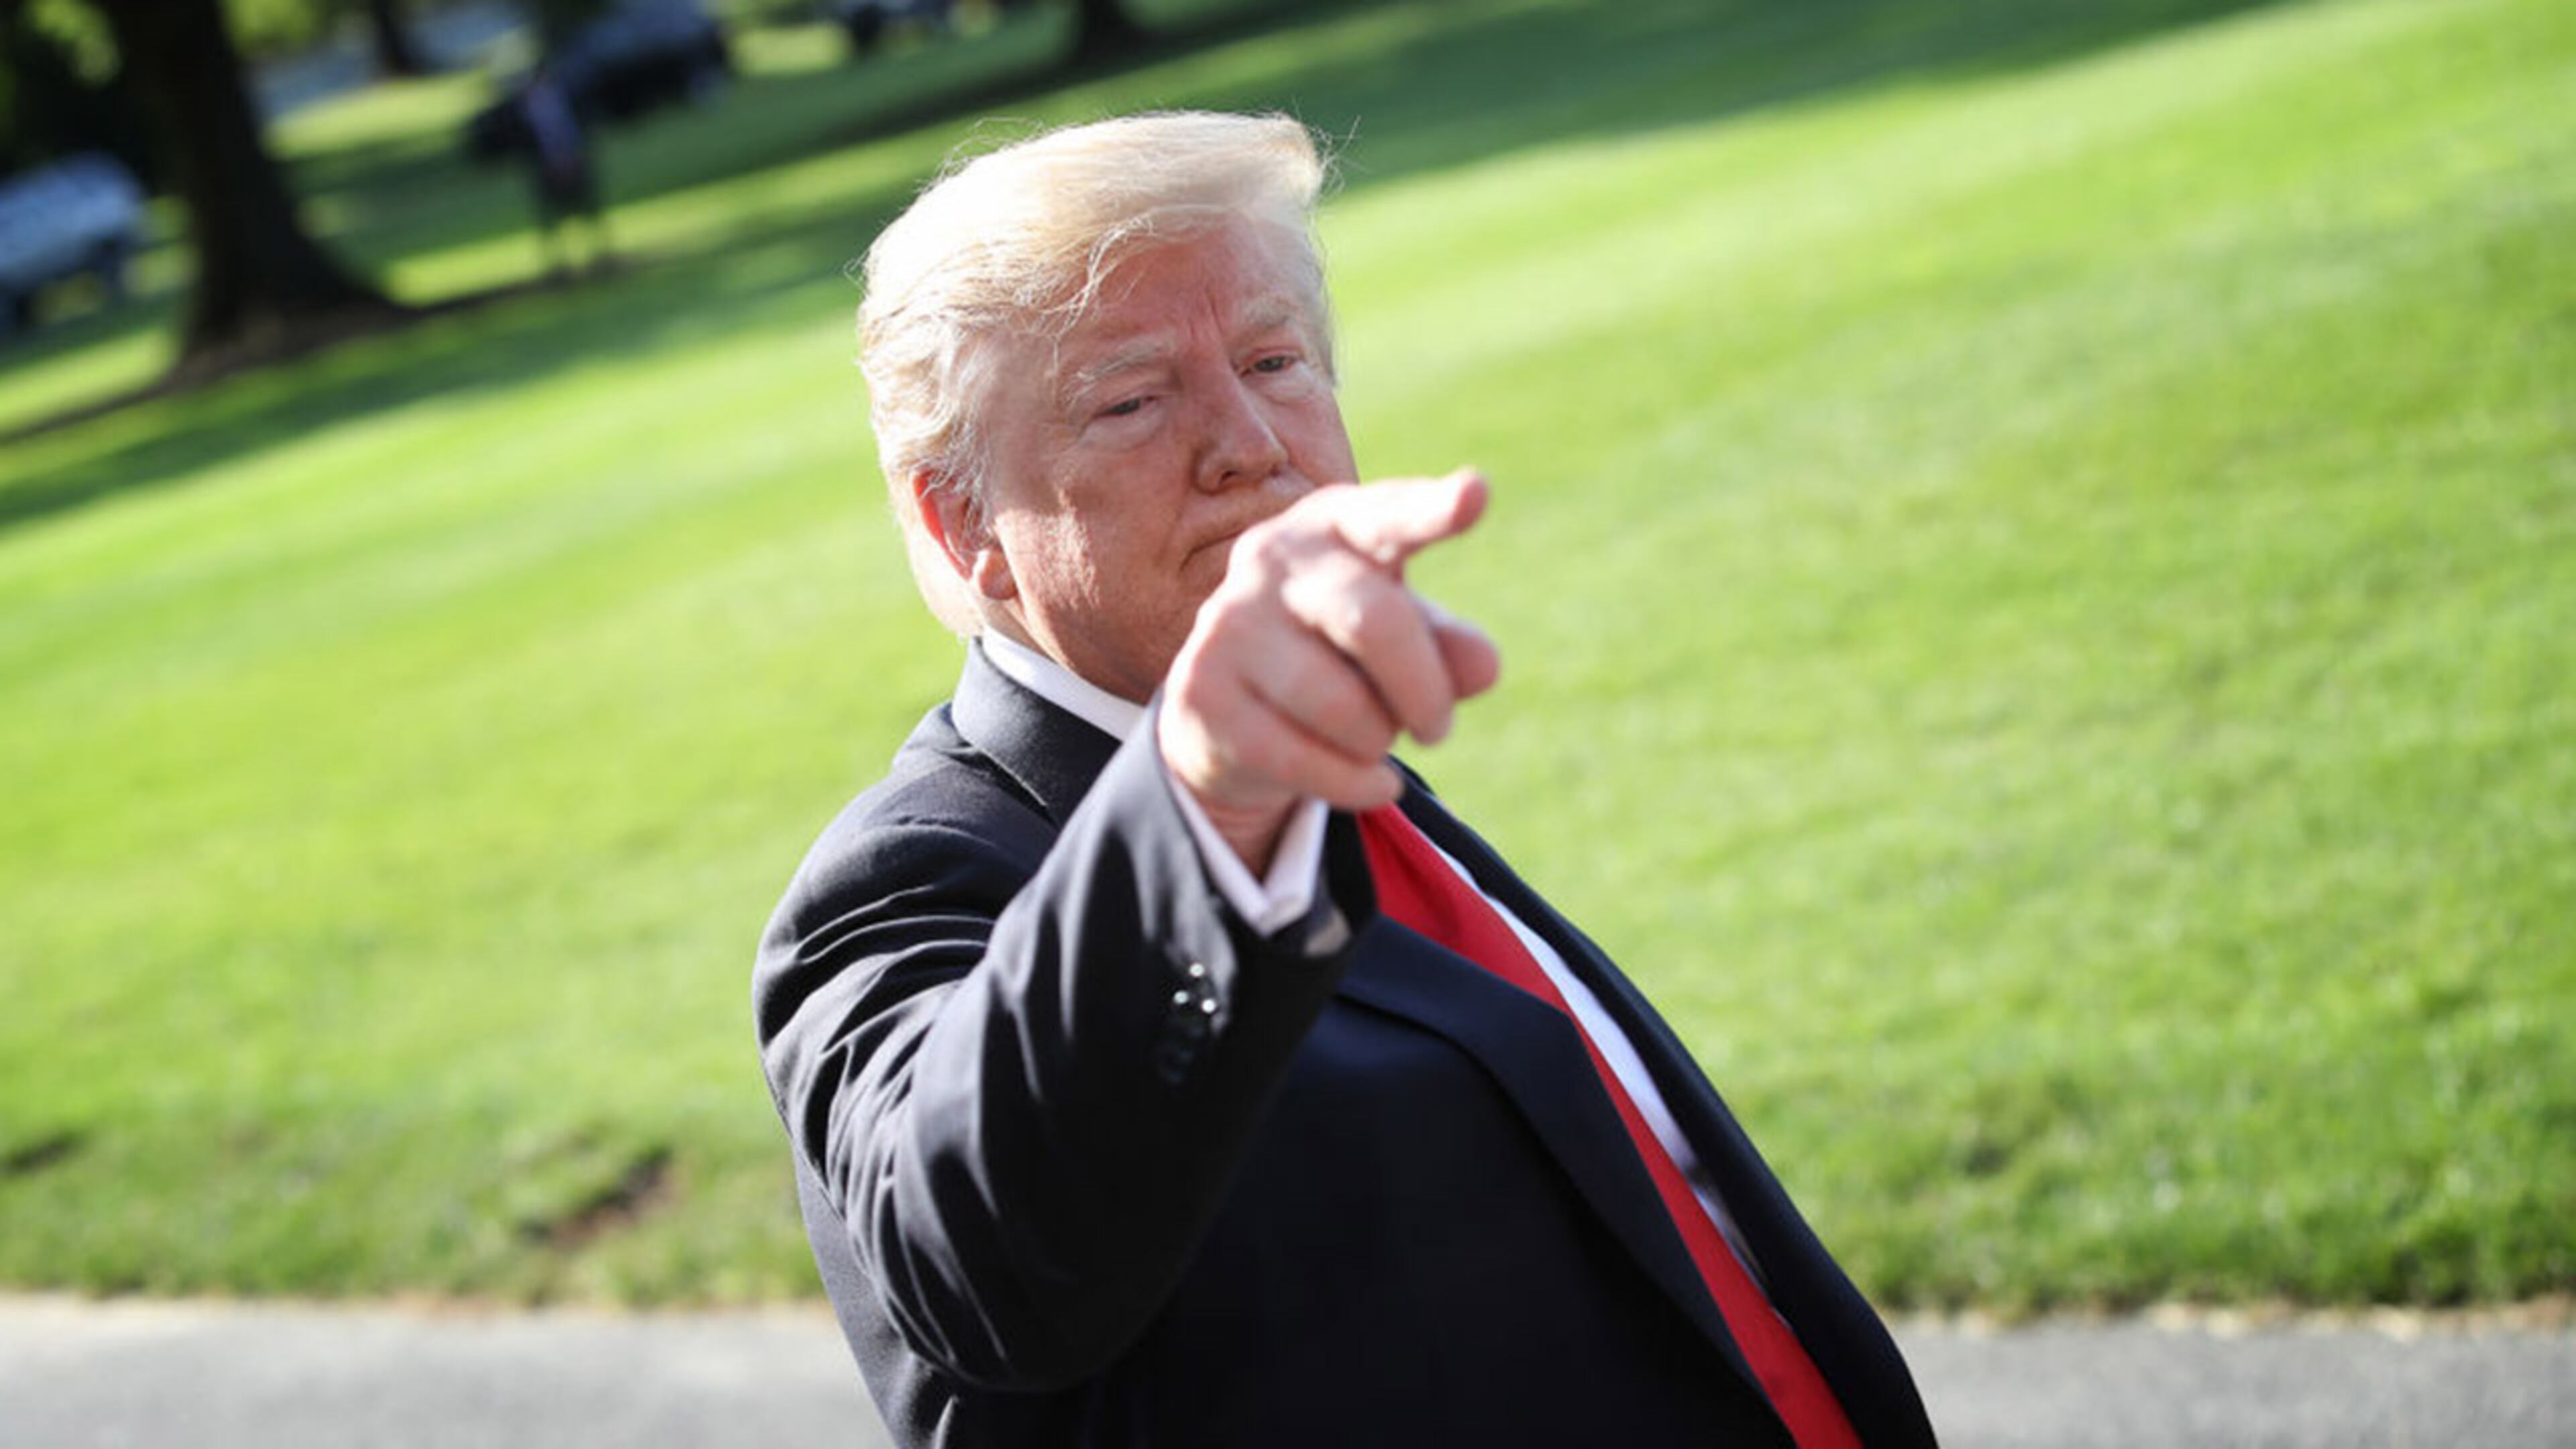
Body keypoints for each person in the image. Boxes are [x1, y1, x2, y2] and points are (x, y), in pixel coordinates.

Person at [753, 111, 1938, 1448]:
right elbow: (984, 1266)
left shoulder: (1337, 780)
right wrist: (1200, 798)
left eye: (1275, 359)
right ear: (961, 522)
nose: (1249, 440)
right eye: (1134, 399)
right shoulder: (912, 876)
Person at [517, 62, 612, 276]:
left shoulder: (566, 100)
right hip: (547, 168)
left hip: (574, 161)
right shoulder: (526, 109)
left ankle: (601, 253)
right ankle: (558, 264)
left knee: (588, 207)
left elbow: (579, 129)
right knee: (553, 216)